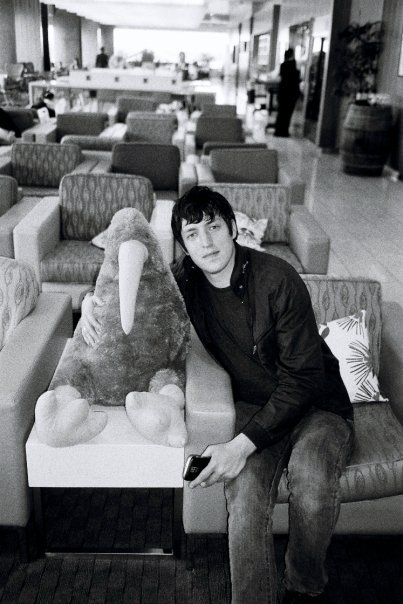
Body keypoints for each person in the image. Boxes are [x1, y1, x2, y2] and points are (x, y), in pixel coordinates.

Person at [80, 186, 354, 603]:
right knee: (245, 499)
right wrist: (90, 303)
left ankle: (304, 583)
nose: (206, 242)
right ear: (184, 244)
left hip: (318, 407)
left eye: (213, 227)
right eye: (192, 234)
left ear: (233, 229)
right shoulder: (185, 281)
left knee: (313, 485)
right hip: (252, 407)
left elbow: (303, 379)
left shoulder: (278, 279)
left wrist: (239, 446)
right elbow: (137, 287)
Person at [274, 48, 301, 137]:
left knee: (281, 112)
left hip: (283, 92)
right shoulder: (295, 65)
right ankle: (284, 131)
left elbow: (280, 77)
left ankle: (278, 131)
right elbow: (297, 79)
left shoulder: (283, 65)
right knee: (288, 113)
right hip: (292, 92)